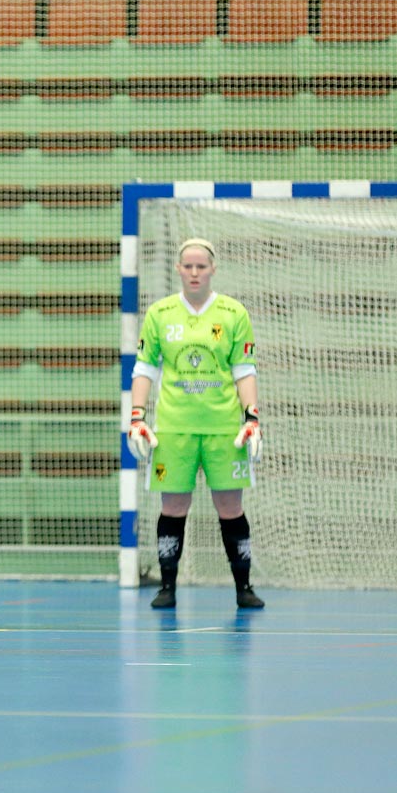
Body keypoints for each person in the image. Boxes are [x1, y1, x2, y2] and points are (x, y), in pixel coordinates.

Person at [127, 238, 263, 610]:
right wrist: (137, 416)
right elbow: (144, 369)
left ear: (213, 269)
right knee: (173, 506)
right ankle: (167, 587)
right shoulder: (160, 314)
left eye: (201, 266)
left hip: (223, 429)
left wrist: (252, 417)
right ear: (178, 269)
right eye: (188, 266)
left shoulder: (234, 314)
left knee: (230, 507)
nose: (194, 272)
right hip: (173, 428)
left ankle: (244, 588)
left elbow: (244, 370)